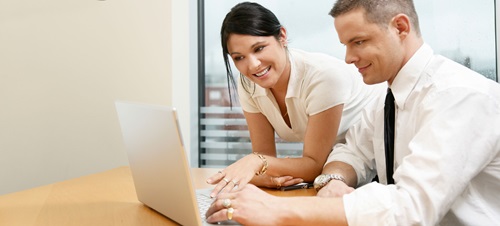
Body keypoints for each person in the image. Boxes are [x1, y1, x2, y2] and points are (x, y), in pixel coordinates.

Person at [205, 0, 500, 225]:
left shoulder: (458, 95)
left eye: (358, 42)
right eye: (346, 45)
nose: (348, 58)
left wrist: (276, 209)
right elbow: (352, 152)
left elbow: (411, 207)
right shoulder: (386, 98)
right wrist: (331, 180)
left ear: (400, 28)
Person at [205, 2, 385, 198]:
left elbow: (312, 165)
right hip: (335, 169)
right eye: (239, 58)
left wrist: (256, 163)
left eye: (259, 48)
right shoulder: (249, 83)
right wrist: (266, 176)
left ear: (282, 36)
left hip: (370, 159)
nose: (253, 65)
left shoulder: (323, 77)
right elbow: (265, 156)